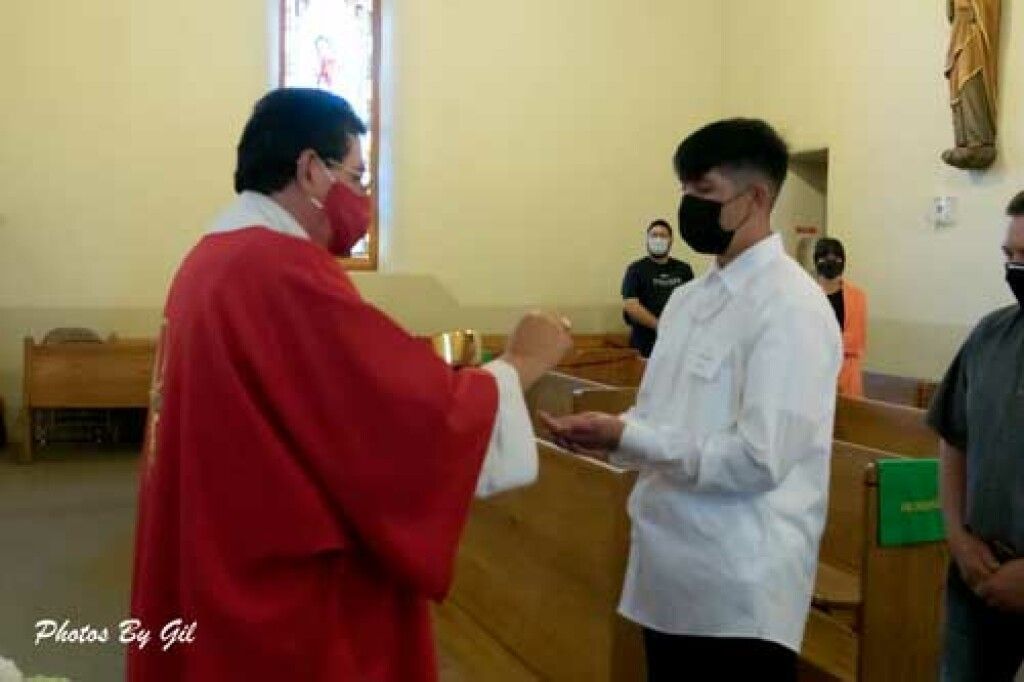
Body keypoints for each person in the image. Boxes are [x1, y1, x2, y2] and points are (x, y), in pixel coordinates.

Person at [128, 88, 573, 682]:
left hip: (218, 549)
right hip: (281, 595)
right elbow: (398, 419)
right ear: (310, 169)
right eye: (357, 177)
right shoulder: (277, 268)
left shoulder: (209, 261)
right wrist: (519, 364)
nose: (364, 200)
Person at [541, 119, 841, 681]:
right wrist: (608, 434)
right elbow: (658, 419)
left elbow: (759, 459)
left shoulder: (791, 307)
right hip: (669, 572)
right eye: (685, 192)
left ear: (756, 198)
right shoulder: (686, 301)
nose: (689, 209)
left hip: (739, 587)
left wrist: (628, 437)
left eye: (705, 194)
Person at [927, 190, 1024, 682]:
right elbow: (953, 437)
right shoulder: (990, 336)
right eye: (1010, 255)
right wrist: (958, 538)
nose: (1015, 268)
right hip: (979, 577)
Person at [621, 220, 695, 358]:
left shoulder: (684, 270)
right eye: (654, 235)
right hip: (644, 345)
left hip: (676, 344)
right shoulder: (636, 269)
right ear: (647, 240)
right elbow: (631, 305)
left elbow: (692, 302)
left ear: (671, 240)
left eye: (663, 236)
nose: (658, 239)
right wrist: (660, 326)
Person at [942, 0, 1002, 169]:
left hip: (974, 29)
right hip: (960, 28)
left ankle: (977, 137)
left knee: (971, 79)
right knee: (957, 81)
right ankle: (962, 138)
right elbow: (950, 13)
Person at [814, 237, 868, 396]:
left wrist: (822, 340)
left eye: (836, 258)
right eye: (825, 257)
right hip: (815, 377)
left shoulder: (857, 297)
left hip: (847, 381)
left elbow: (856, 341)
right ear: (817, 261)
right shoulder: (807, 295)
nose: (831, 262)